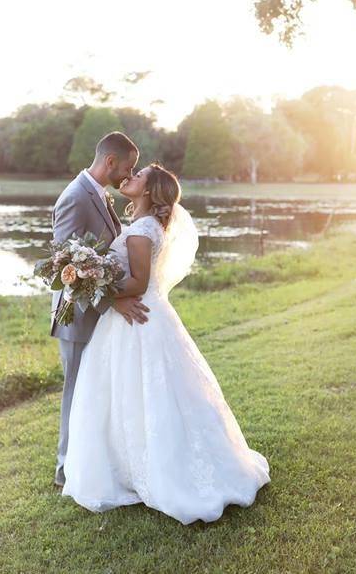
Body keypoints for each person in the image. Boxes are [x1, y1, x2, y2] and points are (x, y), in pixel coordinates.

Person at [60, 163, 271, 524]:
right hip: (140, 318)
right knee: (132, 393)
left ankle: (157, 471)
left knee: (144, 392)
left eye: (138, 175)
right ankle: (128, 465)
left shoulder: (142, 230)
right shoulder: (143, 225)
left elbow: (139, 284)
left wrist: (92, 283)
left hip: (140, 318)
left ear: (148, 190)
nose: (131, 176)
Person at [49, 131, 149, 487]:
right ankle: (64, 470)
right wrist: (116, 299)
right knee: (75, 392)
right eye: (129, 166)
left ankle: (93, 461)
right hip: (76, 315)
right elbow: (65, 265)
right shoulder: (76, 197)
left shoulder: (100, 195)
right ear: (111, 162)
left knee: (93, 391)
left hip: (98, 314)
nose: (129, 173)